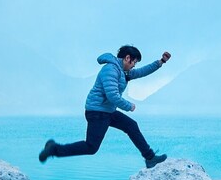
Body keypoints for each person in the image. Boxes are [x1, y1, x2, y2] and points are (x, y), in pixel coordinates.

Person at [39, 45, 170, 169]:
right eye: (134, 62)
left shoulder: (123, 71)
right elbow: (112, 95)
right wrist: (129, 106)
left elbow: (141, 72)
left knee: (131, 126)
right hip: (97, 112)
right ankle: (54, 149)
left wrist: (160, 62)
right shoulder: (111, 70)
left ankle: (150, 158)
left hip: (108, 111)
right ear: (127, 58)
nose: (134, 65)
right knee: (91, 147)